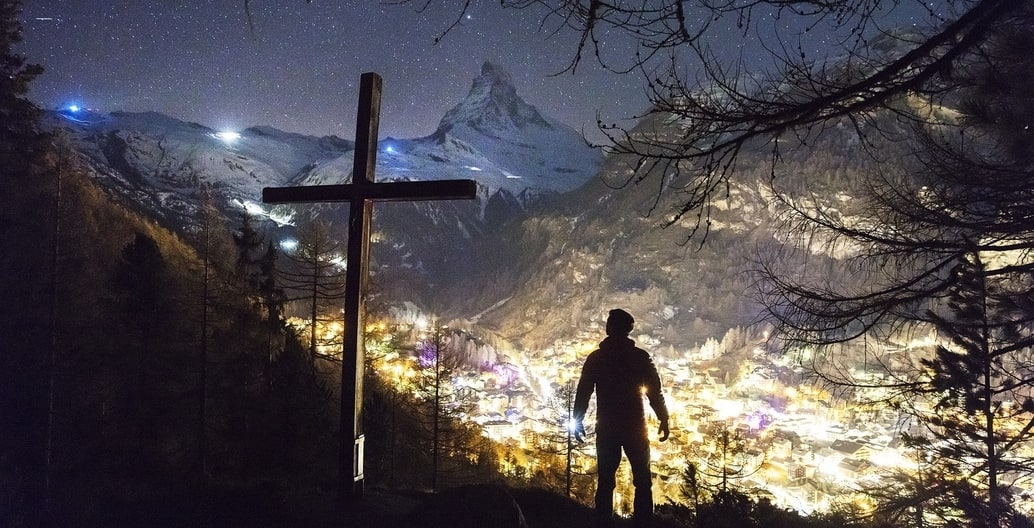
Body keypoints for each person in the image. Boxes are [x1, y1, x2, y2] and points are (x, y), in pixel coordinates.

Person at [573, 309, 670, 528]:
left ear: (610, 328)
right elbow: (654, 392)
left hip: (606, 428)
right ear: (628, 330)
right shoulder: (640, 358)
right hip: (636, 427)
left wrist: (578, 419)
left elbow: (584, 391)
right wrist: (663, 418)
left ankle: (603, 522)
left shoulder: (596, 358)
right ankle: (643, 523)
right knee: (643, 481)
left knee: (606, 480)